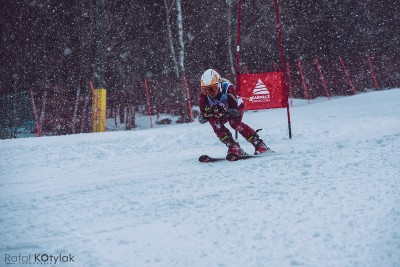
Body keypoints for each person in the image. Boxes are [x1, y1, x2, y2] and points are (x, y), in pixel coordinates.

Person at [198, 68, 270, 156]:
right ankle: (233, 146)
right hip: (221, 112)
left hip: (236, 107)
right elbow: (202, 117)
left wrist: (225, 111)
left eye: (212, 89)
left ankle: (259, 144)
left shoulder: (228, 88)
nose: (209, 93)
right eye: (205, 90)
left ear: (219, 85)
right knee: (215, 123)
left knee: (235, 123)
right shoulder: (204, 96)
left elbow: (236, 111)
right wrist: (206, 114)